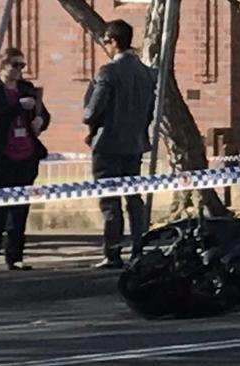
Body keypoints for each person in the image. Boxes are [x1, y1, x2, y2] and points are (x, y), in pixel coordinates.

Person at [83, 19, 155, 269]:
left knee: (110, 200)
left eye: (106, 41)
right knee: (134, 198)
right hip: (134, 144)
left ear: (113, 41)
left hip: (108, 145)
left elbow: (91, 113)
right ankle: (140, 248)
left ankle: (112, 252)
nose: (106, 46)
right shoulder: (147, 73)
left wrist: (89, 114)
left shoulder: (108, 72)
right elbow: (149, 111)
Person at [0, 47, 50, 275]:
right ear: (2, 66)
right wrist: (18, 106)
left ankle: (15, 257)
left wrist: (40, 120)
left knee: (20, 210)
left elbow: (44, 114)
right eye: (14, 65)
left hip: (25, 155)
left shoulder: (27, 89)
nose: (19, 70)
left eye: (22, 65)